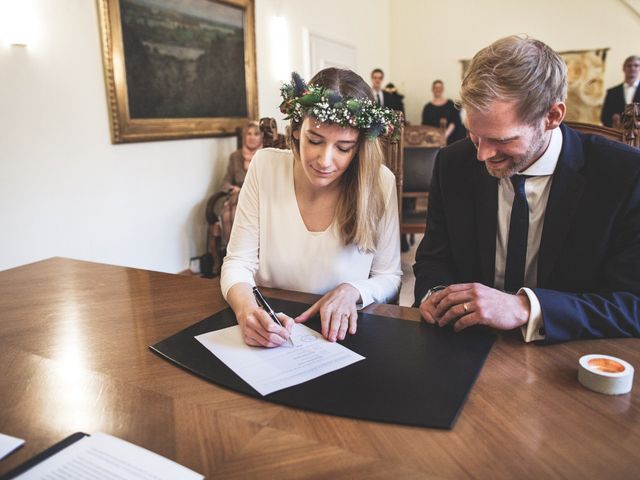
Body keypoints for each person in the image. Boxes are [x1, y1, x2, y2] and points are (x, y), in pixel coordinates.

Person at [413, 35, 640, 344]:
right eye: (474, 134)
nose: (482, 155)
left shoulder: (624, 175)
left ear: (552, 117)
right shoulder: (453, 162)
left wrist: (526, 307)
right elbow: (433, 259)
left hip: (570, 355)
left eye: (503, 140)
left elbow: (631, 304)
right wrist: (437, 295)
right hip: (466, 346)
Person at [221, 68, 402, 348]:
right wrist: (246, 311)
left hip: (343, 338)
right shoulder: (265, 166)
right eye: (315, 141)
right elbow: (238, 262)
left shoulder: (379, 183)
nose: (325, 160)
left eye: (343, 148)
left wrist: (354, 290)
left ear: (359, 149)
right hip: (272, 327)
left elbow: (388, 276)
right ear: (296, 131)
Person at [219, 121, 263, 245]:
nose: (252, 137)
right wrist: (232, 188)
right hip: (237, 198)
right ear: (244, 137)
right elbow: (225, 182)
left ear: (261, 137)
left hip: (258, 199)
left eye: (256, 134)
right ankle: (232, 255)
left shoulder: (265, 156)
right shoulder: (235, 156)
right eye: (249, 134)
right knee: (227, 216)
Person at [601, 55, 640, 128]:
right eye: (629, 65)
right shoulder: (612, 92)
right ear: (624, 68)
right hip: (617, 134)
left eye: (636, 65)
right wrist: (613, 121)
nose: (632, 68)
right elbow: (604, 117)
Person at [421, 80, 464, 145]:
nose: (438, 90)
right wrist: (435, 138)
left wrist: (444, 136)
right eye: (436, 88)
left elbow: (454, 122)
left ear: (443, 89)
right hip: (433, 141)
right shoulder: (427, 107)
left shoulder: (450, 104)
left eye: (440, 88)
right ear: (432, 89)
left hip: (450, 139)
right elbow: (425, 126)